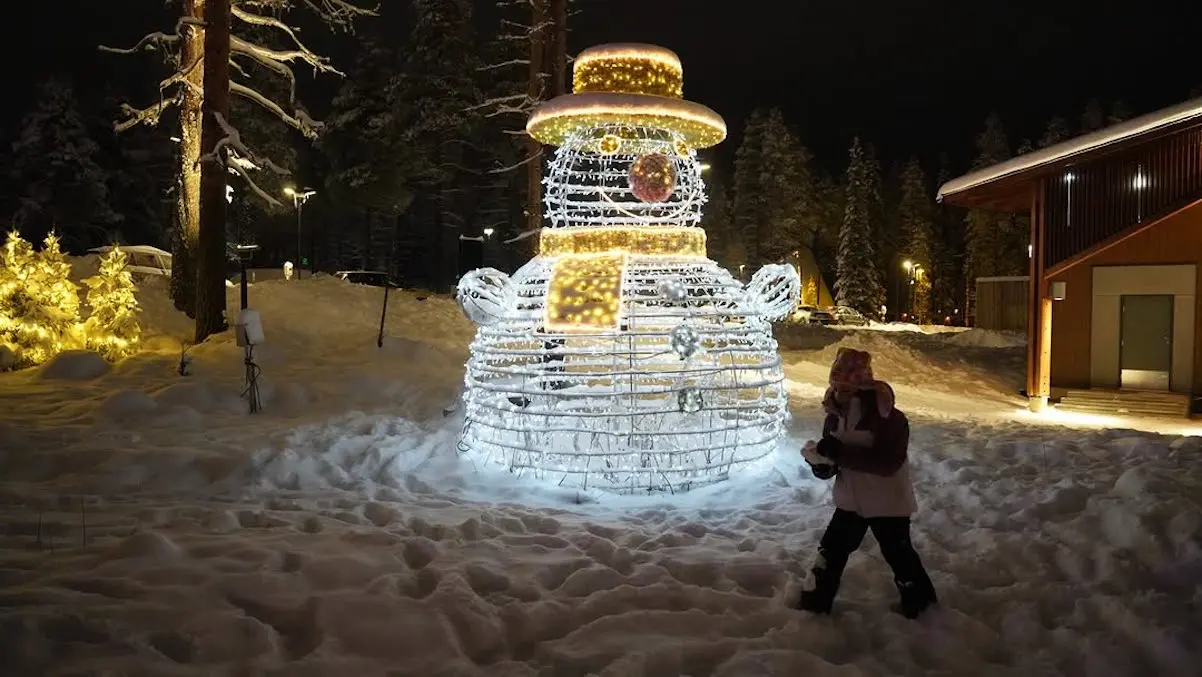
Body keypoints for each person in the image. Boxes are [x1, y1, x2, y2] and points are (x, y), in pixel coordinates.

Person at [798, 347, 937, 619]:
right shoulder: (834, 416)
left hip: (888, 502)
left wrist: (839, 453)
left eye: (847, 389)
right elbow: (839, 463)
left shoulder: (889, 419)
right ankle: (814, 606)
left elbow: (887, 462)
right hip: (851, 500)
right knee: (831, 551)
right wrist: (822, 465)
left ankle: (923, 608)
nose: (840, 394)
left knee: (899, 555)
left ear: (864, 386)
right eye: (836, 387)